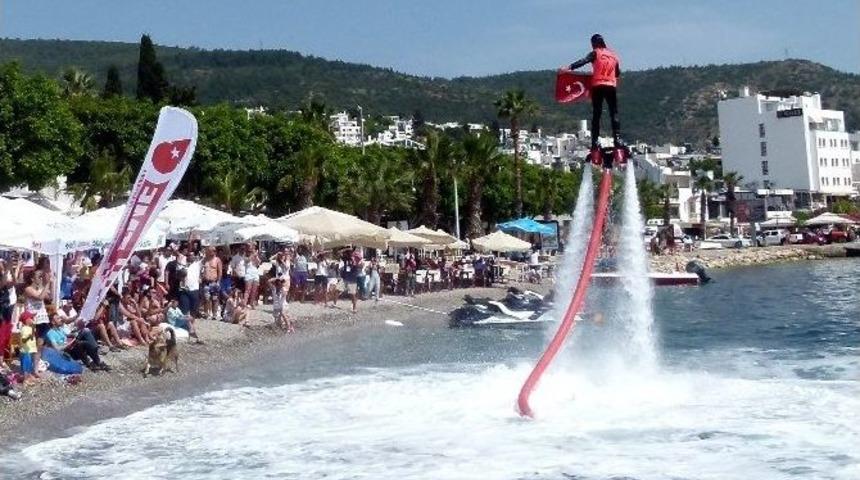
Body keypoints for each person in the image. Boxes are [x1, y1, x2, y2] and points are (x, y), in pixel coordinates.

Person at [566, 33, 623, 165]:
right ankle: (617, 139)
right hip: (611, 86)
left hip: (598, 86)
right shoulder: (613, 55)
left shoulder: (595, 53)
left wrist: (569, 67)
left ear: (594, 43)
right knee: (614, 113)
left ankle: (595, 141)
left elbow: (583, 61)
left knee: (596, 115)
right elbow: (618, 73)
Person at [45, 312, 109, 371]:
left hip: (71, 348)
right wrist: (68, 344)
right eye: (58, 319)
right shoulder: (50, 333)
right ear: (53, 322)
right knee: (79, 344)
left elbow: (67, 335)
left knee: (85, 342)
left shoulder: (60, 329)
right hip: (65, 352)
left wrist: (73, 335)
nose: (61, 319)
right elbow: (57, 348)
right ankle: (89, 363)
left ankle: (97, 362)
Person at [201, 246, 223, 320]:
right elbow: (201, 269)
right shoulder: (205, 260)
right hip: (206, 282)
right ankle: (207, 313)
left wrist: (218, 282)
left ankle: (214, 314)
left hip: (214, 282)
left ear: (214, 252)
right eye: (209, 251)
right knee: (207, 298)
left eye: (212, 251)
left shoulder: (217, 260)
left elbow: (220, 272)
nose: (211, 252)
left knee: (215, 299)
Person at [18, 311, 39, 383]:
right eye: (31, 318)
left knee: (29, 364)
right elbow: (23, 340)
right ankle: (25, 379)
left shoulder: (30, 328)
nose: (33, 319)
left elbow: (33, 336)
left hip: (30, 349)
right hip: (25, 350)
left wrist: (33, 327)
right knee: (26, 365)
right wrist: (29, 337)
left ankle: (29, 376)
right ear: (27, 320)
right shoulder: (24, 329)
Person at [243, 244, 261, 309]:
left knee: (254, 290)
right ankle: (245, 303)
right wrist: (253, 255)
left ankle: (251, 303)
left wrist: (256, 257)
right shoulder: (245, 255)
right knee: (248, 289)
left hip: (255, 273)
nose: (251, 248)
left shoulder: (254, 255)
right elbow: (247, 261)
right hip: (248, 273)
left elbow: (259, 263)